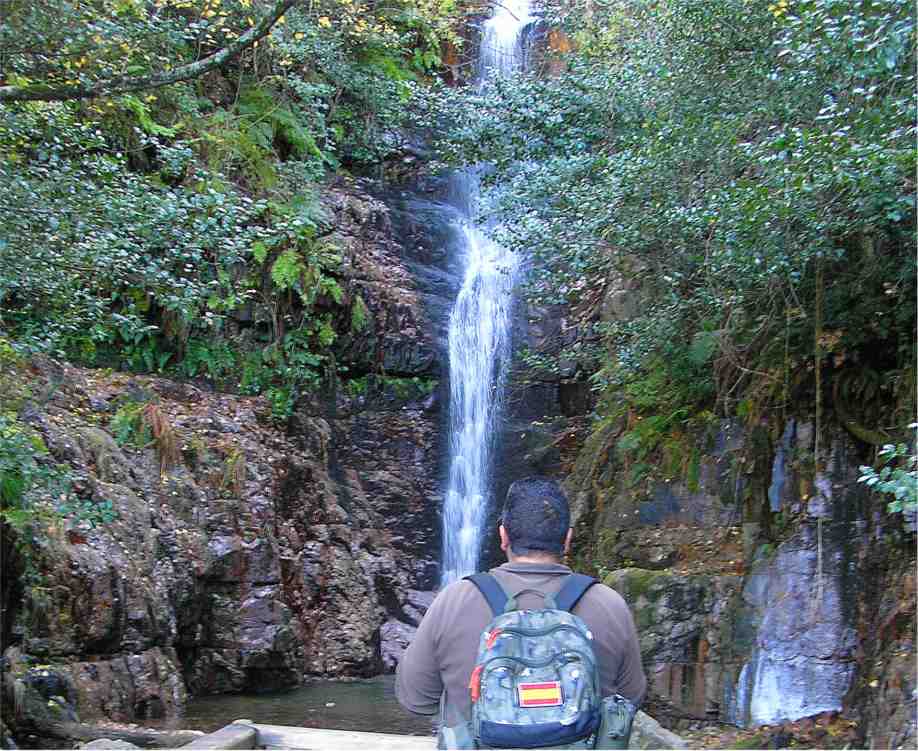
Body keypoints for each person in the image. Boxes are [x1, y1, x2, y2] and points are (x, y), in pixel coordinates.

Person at [395, 476, 646, 744]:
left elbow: (416, 699)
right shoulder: (610, 605)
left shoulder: (454, 600)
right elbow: (631, 697)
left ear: (503, 536)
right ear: (568, 539)